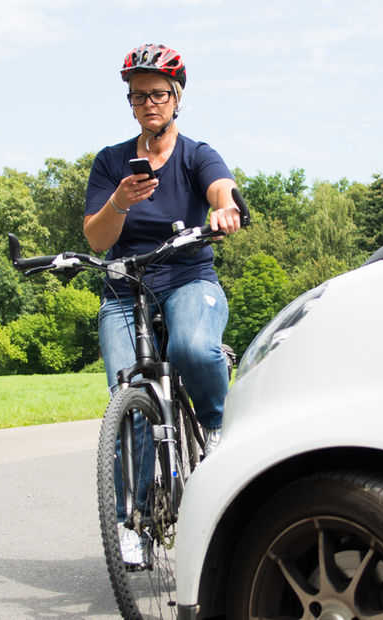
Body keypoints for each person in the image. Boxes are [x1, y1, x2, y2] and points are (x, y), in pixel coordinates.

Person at [83, 43, 240, 567]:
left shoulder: (197, 154)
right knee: (128, 400)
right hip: (125, 288)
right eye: (137, 96)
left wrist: (224, 211)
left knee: (196, 349)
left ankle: (216, 428)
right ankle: (135, 523)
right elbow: (98, 239)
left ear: (176, 98)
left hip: (188, 275)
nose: (147, 102)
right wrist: (120, 202)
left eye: (157, 93)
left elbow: (223, 190)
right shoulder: (110, 163)